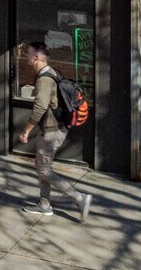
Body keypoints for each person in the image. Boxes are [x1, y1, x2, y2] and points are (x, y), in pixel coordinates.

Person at [16, 41, 91, 221]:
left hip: (51, 130)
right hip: (56, 127)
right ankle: (44, 204)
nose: (26, 55)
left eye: (28, 53)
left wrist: (26, 131)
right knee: (42, 166)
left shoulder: (44, 79)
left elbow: (40, 107)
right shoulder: (52, 72)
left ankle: (79, 198)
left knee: (43, 169)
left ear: (36, 57)